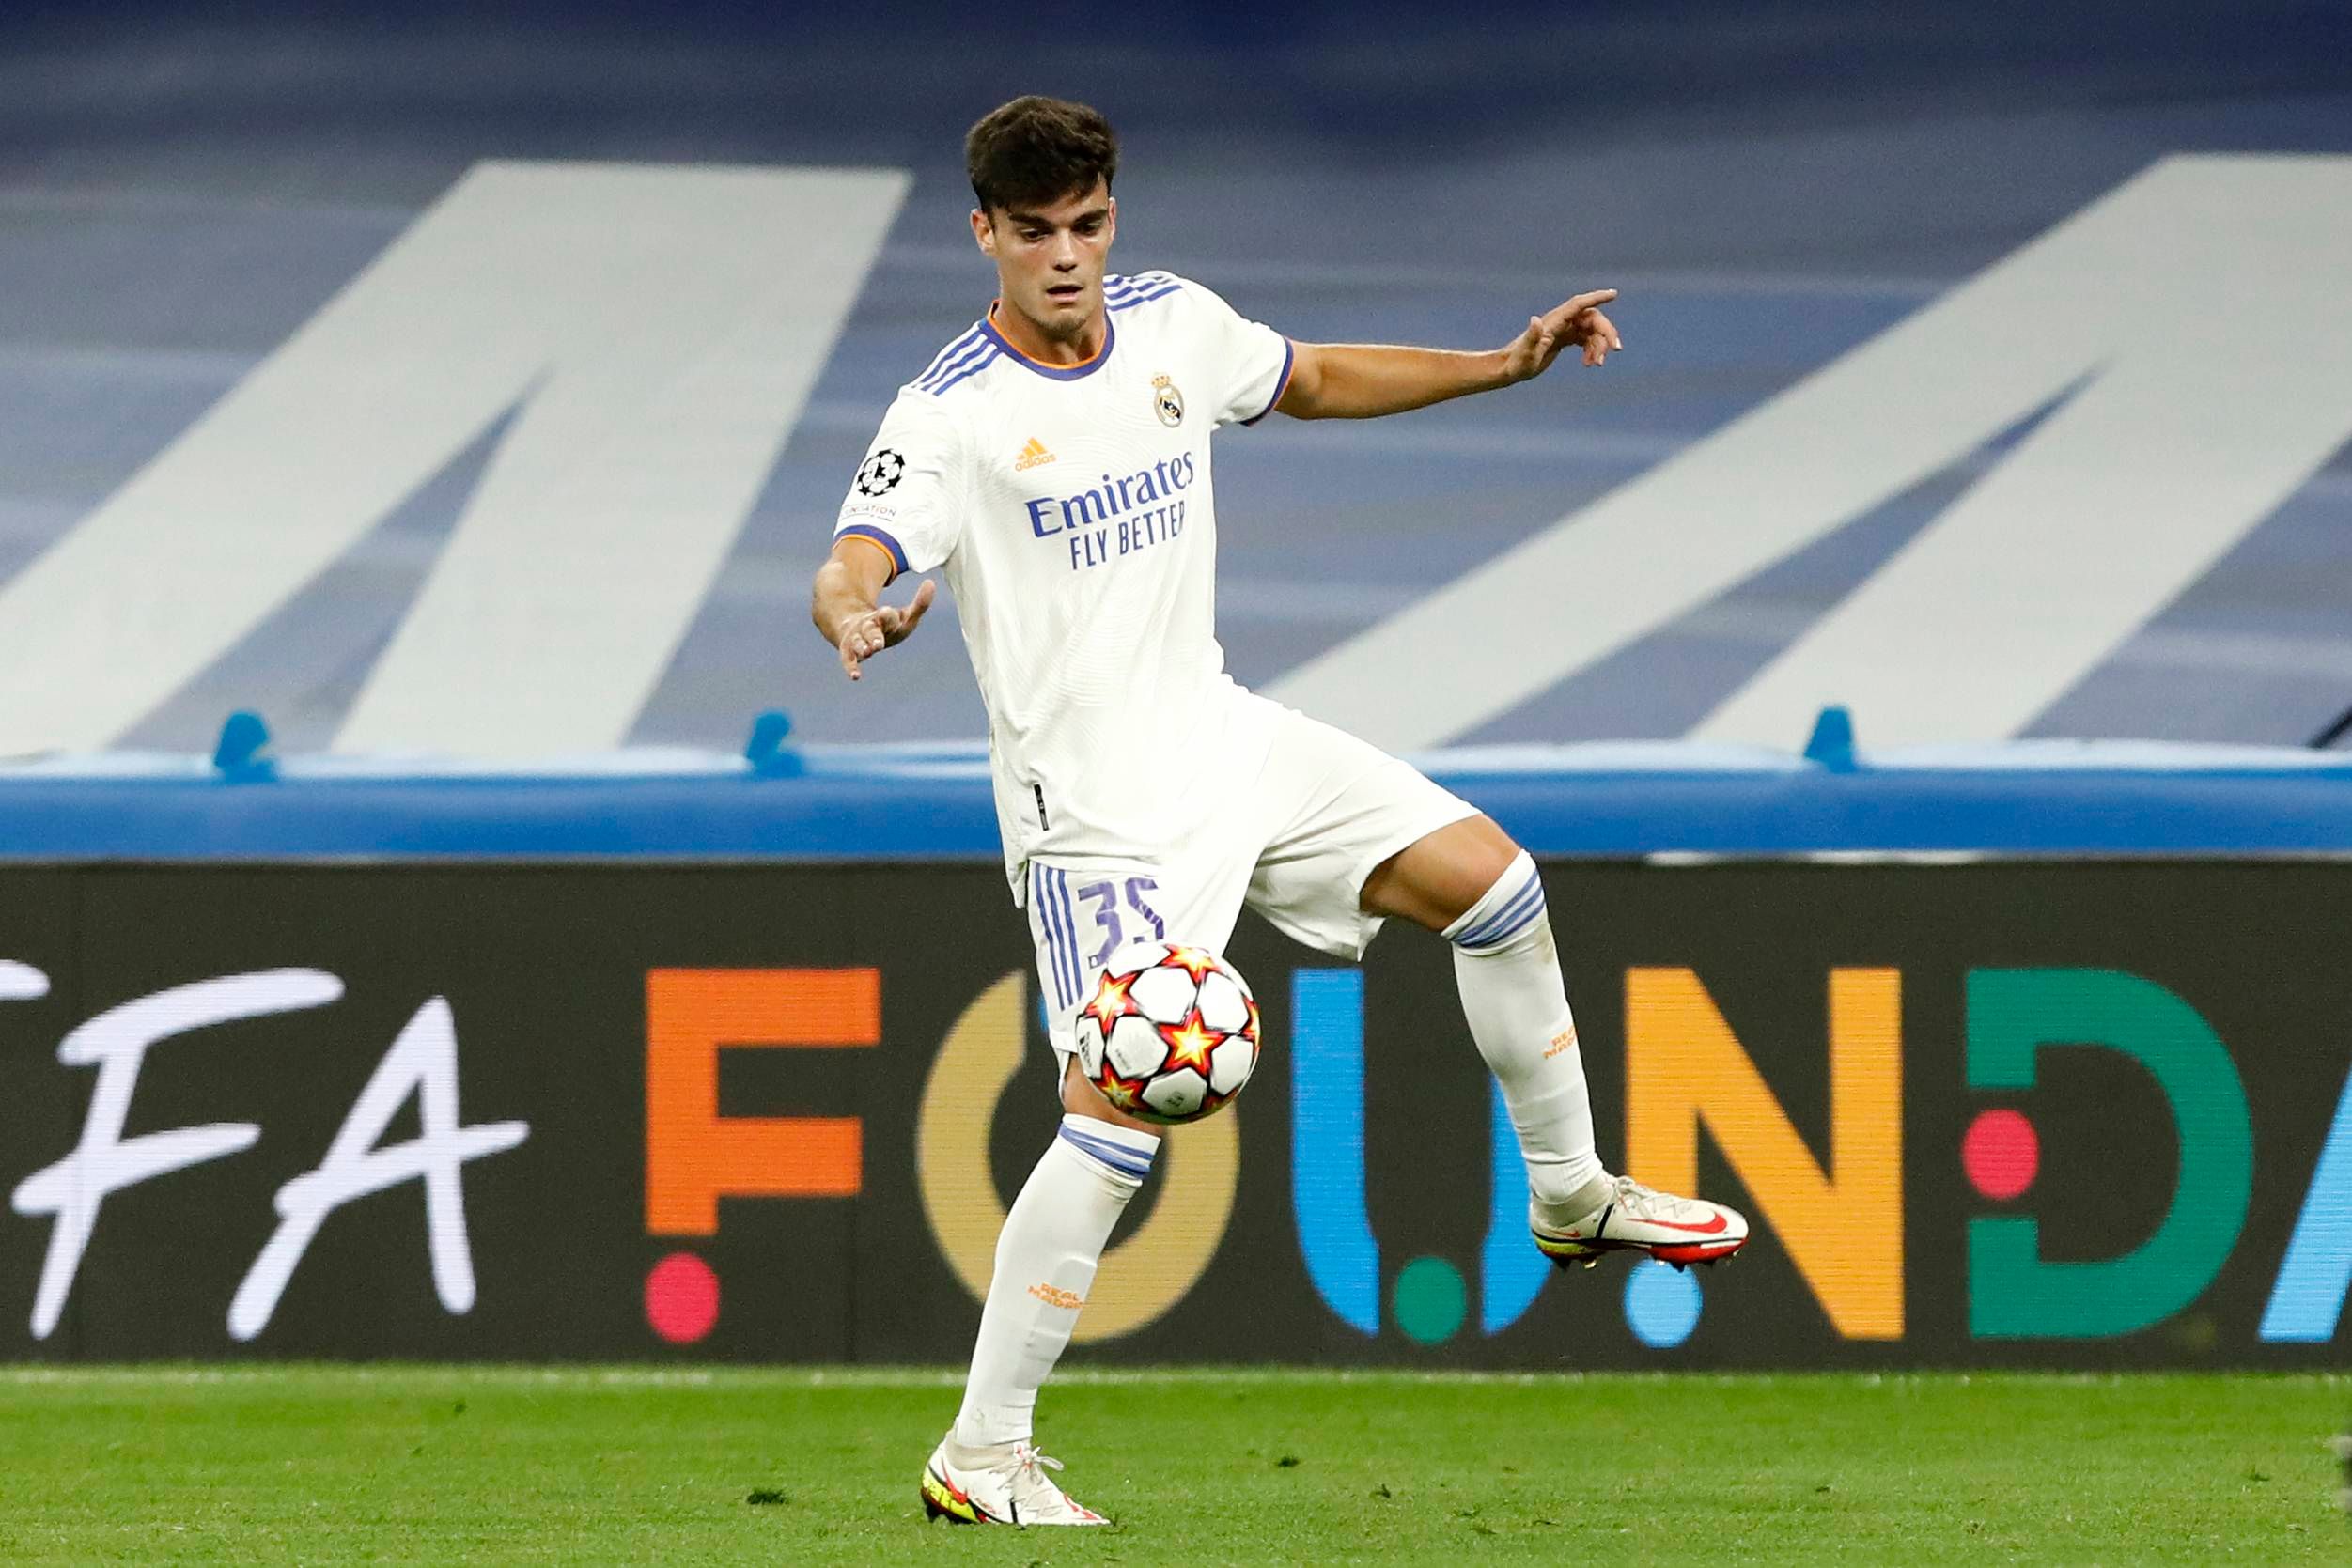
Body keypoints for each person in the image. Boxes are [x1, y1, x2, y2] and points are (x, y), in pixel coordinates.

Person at [811, 94, 1748, 1529]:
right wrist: (855, 609)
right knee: (1115, 1119)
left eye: (1088, 224)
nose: (1065, 256)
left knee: (1497, 884)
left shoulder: (1174, 324)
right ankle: (982, 1453)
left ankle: (1568, 1195)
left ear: (1113, 216)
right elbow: (858, 548)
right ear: (983, 232)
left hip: (1226, 735)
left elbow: (1311, 377)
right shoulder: (950, 410)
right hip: (1096, 816)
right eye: (1035, 232)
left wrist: (1502, 364)